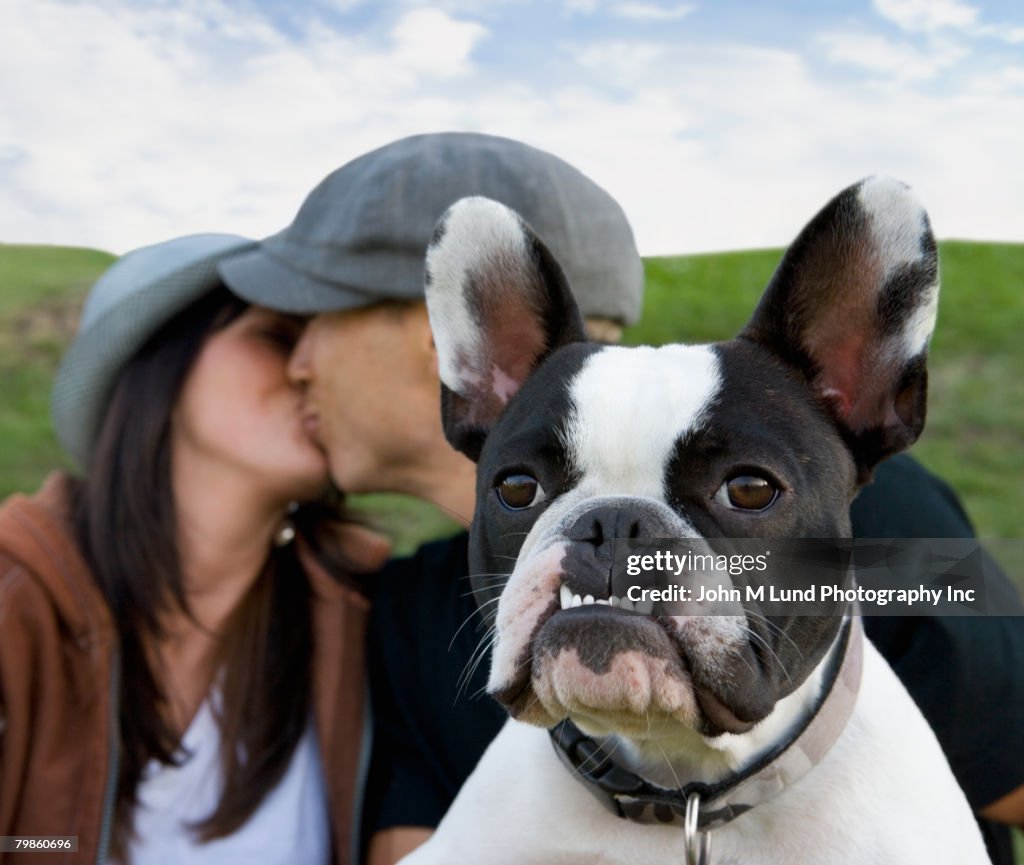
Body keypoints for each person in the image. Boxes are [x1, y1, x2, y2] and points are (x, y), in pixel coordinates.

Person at [216, 132, 1024, 865]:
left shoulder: (884, 530)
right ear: (477, 373)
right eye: (525, 490)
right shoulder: (403, 606)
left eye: (745, 491)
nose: (298, 362)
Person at [0, 235, 388, 864]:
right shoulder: (13, 597)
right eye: (279, 338)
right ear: (161, 366)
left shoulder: (369, 610)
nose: (310, 368)